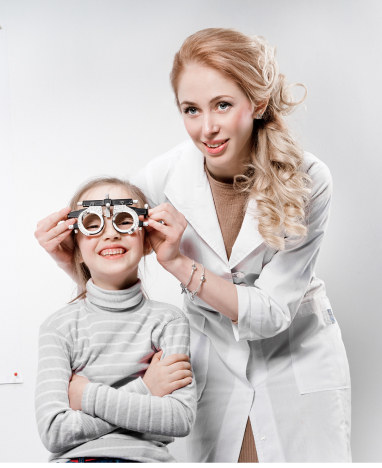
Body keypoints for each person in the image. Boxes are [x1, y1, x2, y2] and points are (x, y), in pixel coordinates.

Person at [35, 28, 351, 463]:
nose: (207, 128)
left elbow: (273, 313)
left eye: (223, 105)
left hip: (295, 353)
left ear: (257, 103)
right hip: (209, 358)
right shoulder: (161, 178)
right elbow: (114, 257)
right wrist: (69, 261)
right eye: (191, 109)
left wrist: (179, 265)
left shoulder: (309, 180)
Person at [35, 177, 196, 463]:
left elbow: (179, 418)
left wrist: (85, 396)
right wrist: (146, 388)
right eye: (93, 223)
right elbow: (54, 432)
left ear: (147, 241)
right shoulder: (59, 327)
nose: (110, 234)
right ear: (76, 248)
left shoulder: (169, 321)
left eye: (124, 220)